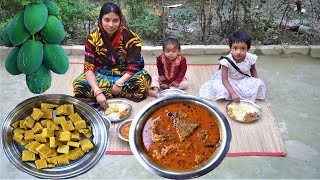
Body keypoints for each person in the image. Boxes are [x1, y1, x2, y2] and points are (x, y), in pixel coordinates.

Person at [73, 3, 151, 108]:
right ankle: (112, 93)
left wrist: (119, 83)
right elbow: (88, 68)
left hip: (124, 73)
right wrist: (97, 92)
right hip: (102, 74)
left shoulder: (131, 38)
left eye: (115, 20)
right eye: (107, 20)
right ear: (100, 20)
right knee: (79, 84)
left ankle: (110, 92)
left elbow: (135, 66)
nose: (111, 25)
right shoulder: (92, 39)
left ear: (121, 20)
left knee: (144, 80)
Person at [199, 31, 266, 103]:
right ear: (230, 48)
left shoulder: (250, 58)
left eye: (243, 48)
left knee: (260, 83)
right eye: (235, 48)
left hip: (243, 80)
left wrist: (255, 82)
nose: (238, 52)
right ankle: (234, 94)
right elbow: (224, 80)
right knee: (221, 89)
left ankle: (239, 94)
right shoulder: (226, 61)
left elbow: (253, 70)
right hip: (229, 81)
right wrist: (233, 93)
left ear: (248, 49)